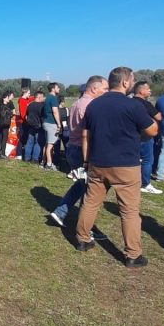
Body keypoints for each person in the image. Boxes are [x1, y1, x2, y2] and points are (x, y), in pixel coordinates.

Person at [76, 67, 158, 267]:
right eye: (132, 80)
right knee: (129, 210)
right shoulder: (133, 106)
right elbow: (153, 130)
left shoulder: (93, 106)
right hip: (125, 165)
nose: (132, 82)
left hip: (97, 162)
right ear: (124, 82)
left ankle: (82, 238)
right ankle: (133, 254)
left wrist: (86, 161)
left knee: (90, 203)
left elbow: (86, 135)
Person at [49, 75, 108, 227]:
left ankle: (64, 213)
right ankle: (84, 226)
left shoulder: (76, 103)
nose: (107, 92)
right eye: (105, 89)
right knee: (89, 189)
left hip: (73, 147)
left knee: (82, 184)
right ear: (94, 88)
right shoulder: (91, 106)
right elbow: (89, 132)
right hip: (83, 149)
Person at [132, 80, 162, 194]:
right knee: (147, 160)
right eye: (148, 88)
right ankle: (145, 184)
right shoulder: (145, 104)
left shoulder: (130, 102)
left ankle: (134, 181)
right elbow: (158, 117)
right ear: (141, 90)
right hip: (145, 136)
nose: (150, 90)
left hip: (132, 136)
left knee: (134, 160)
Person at [42, 82, 61, 170]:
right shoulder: (53, 98)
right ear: (53, 89)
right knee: (50, 145)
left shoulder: (47, 98)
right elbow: (55, 111)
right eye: (58, 87)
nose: (59, 89)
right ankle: (49, 164)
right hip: (51, 123)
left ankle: (44, 161)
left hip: (46, 122)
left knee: (47, 144)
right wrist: (59, 124)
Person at [23, 91, 45, 162]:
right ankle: (35, 158)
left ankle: (27, 157)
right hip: (39, 126)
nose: (43, 98)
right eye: (42, 97)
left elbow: (26, 115)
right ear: (39, 97)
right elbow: (43, 117)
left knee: (29, 142)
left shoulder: (30, 105)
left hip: (30, 125)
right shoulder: (42, 106)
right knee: (38, 142)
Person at [0, 90, 15, 160]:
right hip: (5, 123)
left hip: (0, 122)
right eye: (7, 98)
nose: (8, 99)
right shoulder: (5, 106)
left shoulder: (0, 105)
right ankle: (3, 153)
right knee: (4, 138)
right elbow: (11, 114)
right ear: (4, 98)